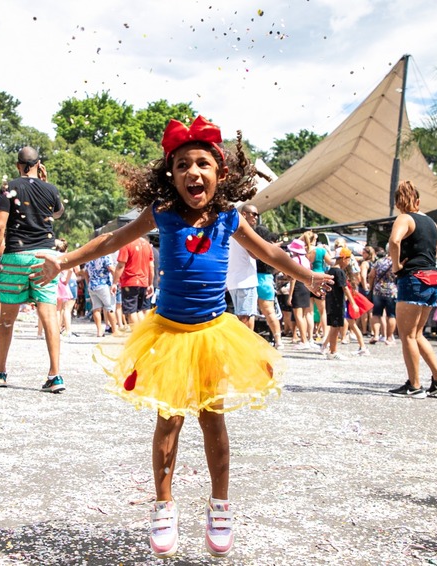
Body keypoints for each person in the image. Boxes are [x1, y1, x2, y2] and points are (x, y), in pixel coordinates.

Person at [32, 115, 332, 558]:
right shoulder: (163, 215)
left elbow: (268, 251)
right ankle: (163, 506)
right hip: (167, 335)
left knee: (214, 420)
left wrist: (306, 275)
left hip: (213, 334)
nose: (193, 173)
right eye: (183, 166)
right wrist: (66, 260)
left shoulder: (229, 217)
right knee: (168, 420)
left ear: (220, 173)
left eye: (203, 164)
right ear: (170, 177)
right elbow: (110, 242)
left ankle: (220, 506)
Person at [0, 146, 65, 391]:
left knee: (7, 320)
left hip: (16, 257)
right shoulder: (50, 189)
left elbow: (0, 226)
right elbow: (59, 213)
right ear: (38, 163)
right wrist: (46, 183)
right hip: (45, 257)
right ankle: (55, 375)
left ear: (18, 164)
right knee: (49, 317)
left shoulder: (10, 187)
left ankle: (0, 373)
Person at [387, 181, 437, 398]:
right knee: (417, 334)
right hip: (432, 278)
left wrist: (396, 266)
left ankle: (414, 386)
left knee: (407, 336)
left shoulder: (404, 218)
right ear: (418, 200)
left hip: (413, 278)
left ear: (398, 202)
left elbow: (394, 241)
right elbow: (434, 250)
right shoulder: (432, 223)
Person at [244, 204, 283, 348]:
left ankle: (250, 341)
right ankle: (278, 340)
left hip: (252, 277)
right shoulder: (268, 252)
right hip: (266, 278)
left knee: (249, 312)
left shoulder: (251, 241)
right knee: (269, 311)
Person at [226, 206, 258, 330]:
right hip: (246, 280)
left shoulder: (230, 233)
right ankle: (248, 347)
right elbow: (255, 253)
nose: (255, 217)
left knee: (240, 318)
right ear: (244, 214)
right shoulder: (246, 232)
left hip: (233, 281)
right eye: (253, 214)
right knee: (247, 318)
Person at [286, 237, 319, 351]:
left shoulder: (294, 260)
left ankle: (303, 340)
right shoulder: (306, 260)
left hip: (298, 287)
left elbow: (293, 278)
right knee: (304, 315)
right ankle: (306, 339)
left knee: (298, 316)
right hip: (306, 287)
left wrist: (290, 295)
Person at [115, 236, 155, 326]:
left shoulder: (127, 243)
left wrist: (114, 282)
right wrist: (151, 284)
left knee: (131, 311)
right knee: (141, 310)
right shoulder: (147, 245)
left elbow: (121, 265)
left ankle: (136, 334)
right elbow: (151, 267)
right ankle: (143, 334)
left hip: (129, 282)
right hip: (144, 282)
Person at [84, 253, 120, 337]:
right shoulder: (105, 256)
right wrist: (115, 281)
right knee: (110, 307)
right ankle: (115, 330)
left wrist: (88, 282)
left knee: (96, 308)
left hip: (92, 285)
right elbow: (111, 268)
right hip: (104, 285)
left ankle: (99, 331)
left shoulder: (89, 256)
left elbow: (85, 272)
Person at [369, 247, 398, 346]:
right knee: (391, 315)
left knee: (376, 313)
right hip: (392, 290)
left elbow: (371, 275)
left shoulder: (379, 261)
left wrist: (371, 286)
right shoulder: (396, 262)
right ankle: (389, 337)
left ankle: (376, 335)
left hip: (378, 290)